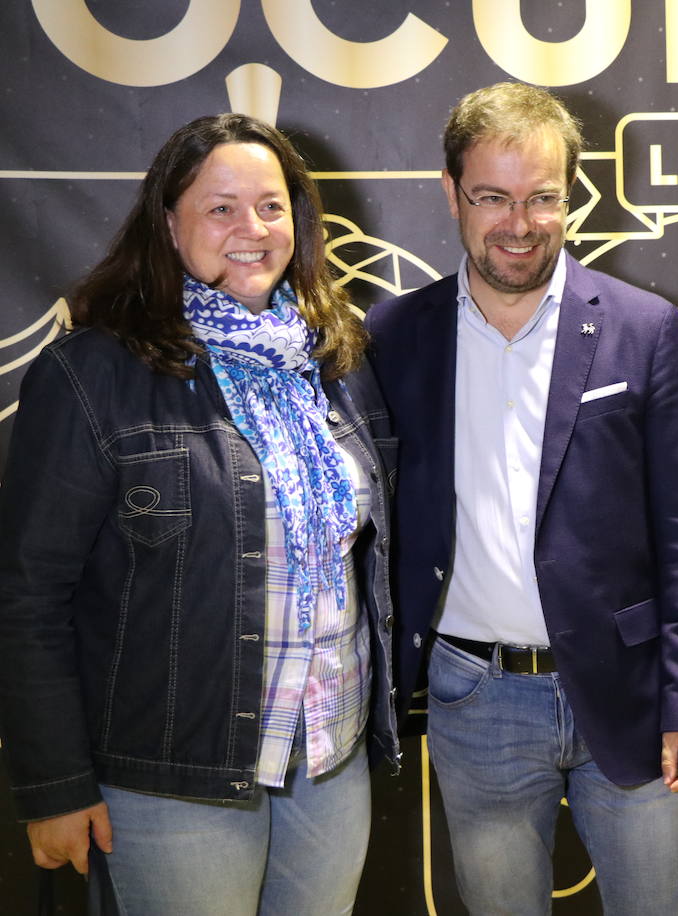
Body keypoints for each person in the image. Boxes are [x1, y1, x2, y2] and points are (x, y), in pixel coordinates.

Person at [0, 114, 400, 914]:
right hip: (173, 776)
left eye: (272, 206)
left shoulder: (335, 358)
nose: (251, 229)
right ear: (168, 222)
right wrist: (53, 785)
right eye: (221, 208)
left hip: (327, 755)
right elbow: (27, 596)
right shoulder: (94, 373)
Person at [364, 81, 678, 915]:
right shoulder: (393, 337)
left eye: (543, 198)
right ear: (451, 192)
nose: (520, 224)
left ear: (572, 194)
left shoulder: (645, 329)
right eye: (493, 197)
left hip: (631, 695)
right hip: (474, 700)